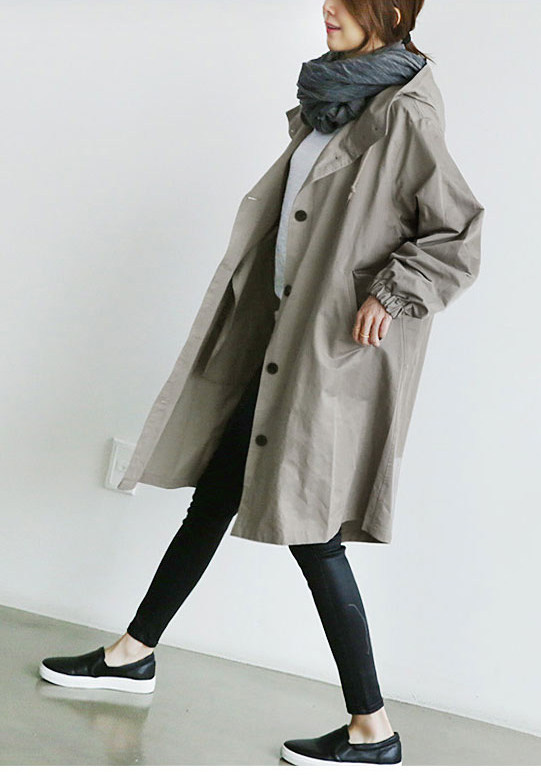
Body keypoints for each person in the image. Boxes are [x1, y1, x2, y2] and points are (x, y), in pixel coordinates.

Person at [39, 0, 483, 767]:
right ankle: (133, 653)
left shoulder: (402, 113)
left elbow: (457, 233)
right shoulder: (334, 97)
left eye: (346, 0)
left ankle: (372, 728)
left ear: (388, 10)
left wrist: (391, 292)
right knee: (216, 493)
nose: (327, 9)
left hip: (327, 353)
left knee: (311, 532)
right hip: (278, 337)